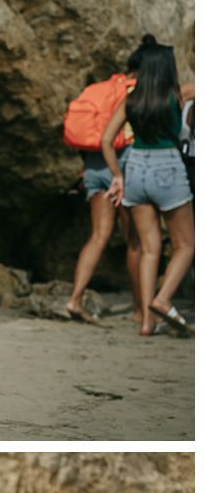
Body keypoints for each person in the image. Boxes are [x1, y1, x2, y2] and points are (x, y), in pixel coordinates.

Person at [102, 43, 195, 337]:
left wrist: (117, 176)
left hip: (135, 170)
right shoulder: (177, 94)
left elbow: (106, 140)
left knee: (149, 249)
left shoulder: (131, 100)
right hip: (167, 168)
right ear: (166, 68)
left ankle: (146, 321)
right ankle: (163, 299)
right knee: (186, 244)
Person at [66, 39, 157, 324]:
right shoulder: (138, 92)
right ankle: (141, 310)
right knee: (136, 243)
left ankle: (75, 299)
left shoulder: (100, 89)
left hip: (94, 168)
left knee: (98, 236)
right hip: (124, 169)